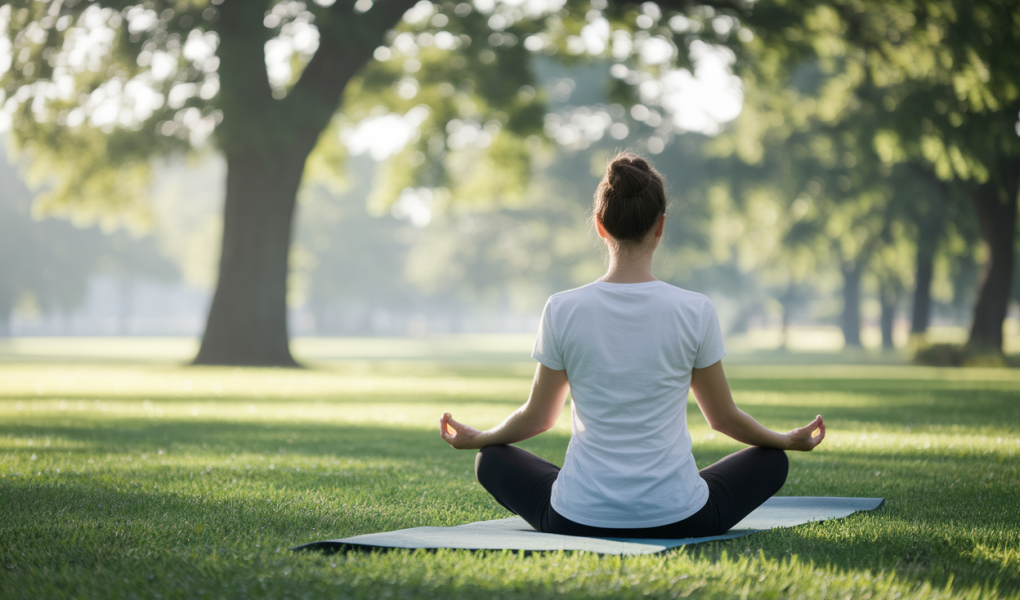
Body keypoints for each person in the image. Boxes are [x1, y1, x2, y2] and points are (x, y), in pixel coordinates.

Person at [439, 152, 825, 539]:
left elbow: (539, 418)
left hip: (575, 518)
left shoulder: (562, 308)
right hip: (682, 517)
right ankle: (658, 494)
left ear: (600, 225)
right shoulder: (695, 309)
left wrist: (480, 438)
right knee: (772, 461)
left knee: (491, 460)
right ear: (660, 227)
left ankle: (586, 492)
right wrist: (784, 440)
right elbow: (722, 418)